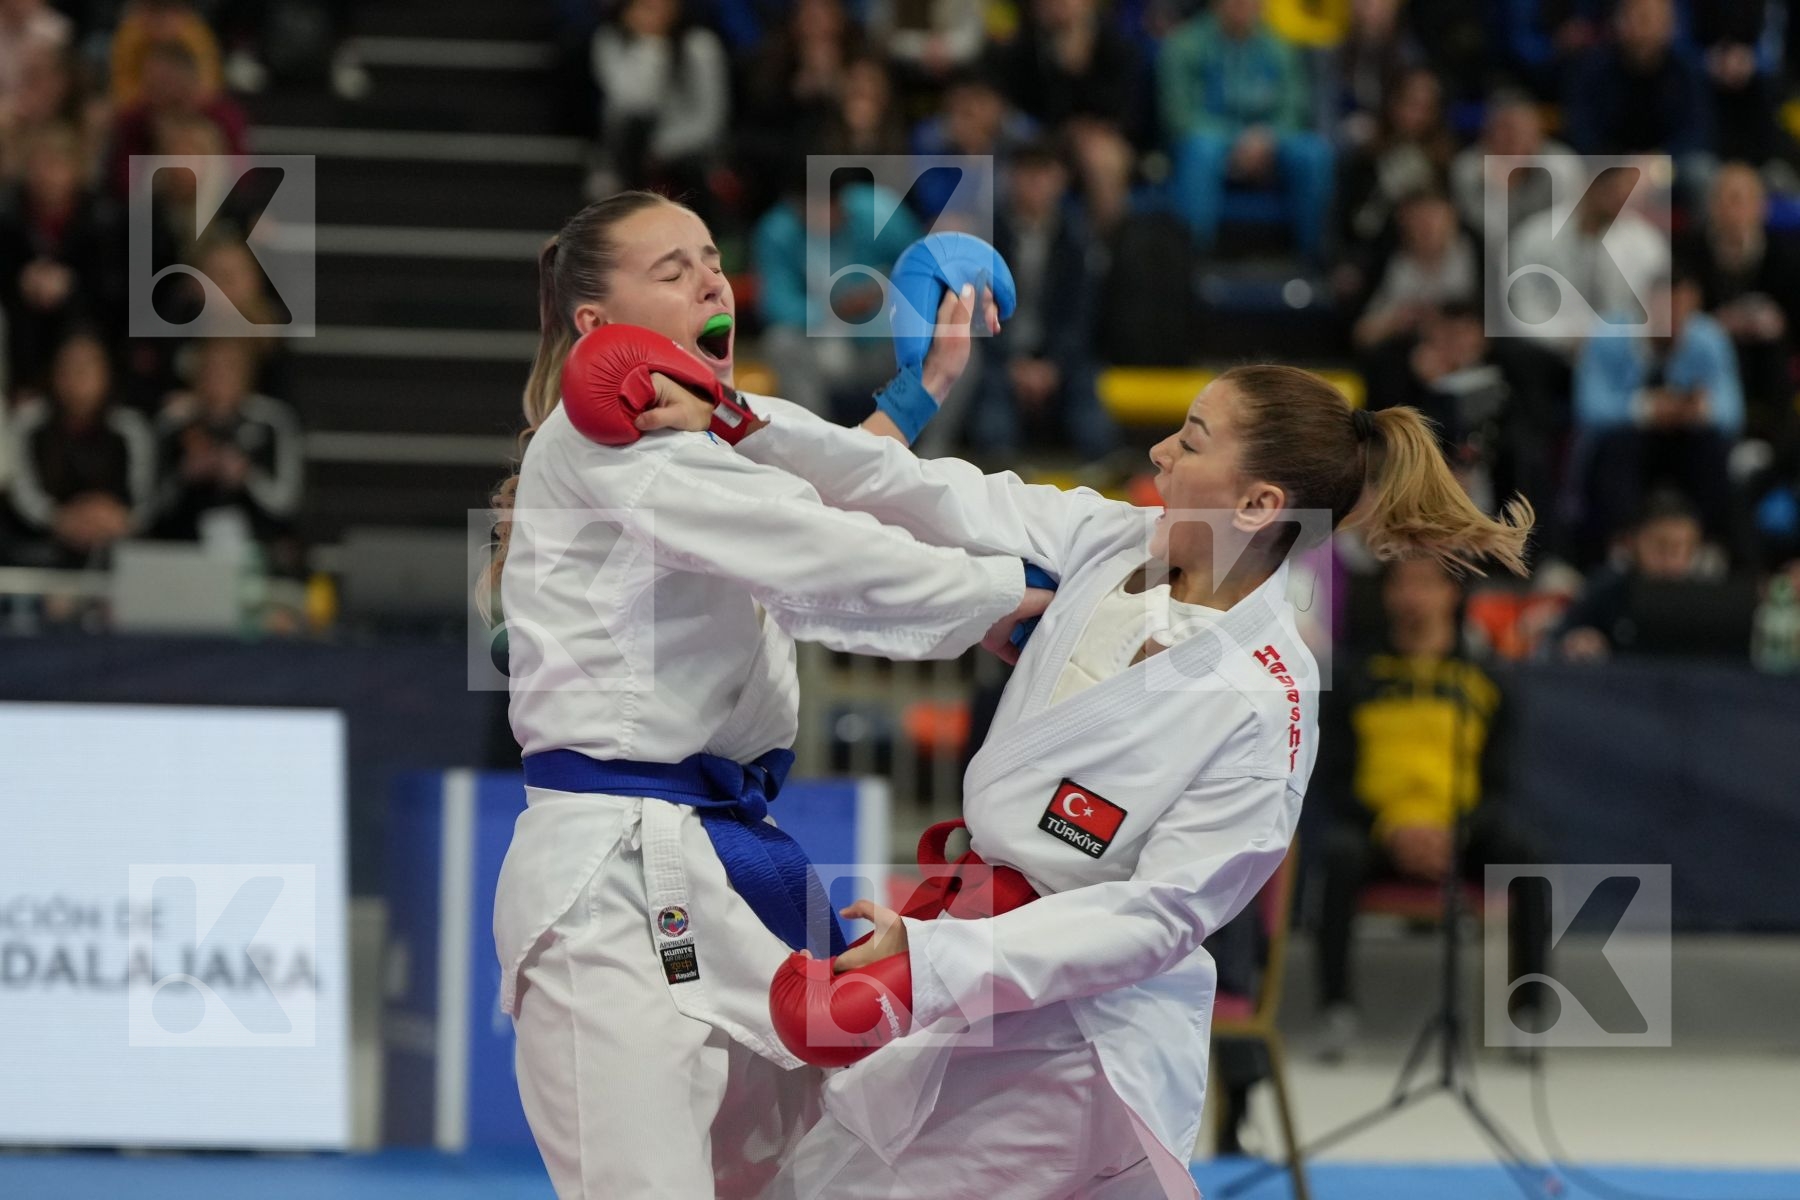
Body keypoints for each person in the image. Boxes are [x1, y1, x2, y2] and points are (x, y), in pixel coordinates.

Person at [644, 362, 1532, 1198]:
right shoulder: (1109, 541)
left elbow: (1160, 914)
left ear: (1259, 503)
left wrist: (931, 963)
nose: (1161, 452)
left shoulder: (1270, 695)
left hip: (1087, 1033)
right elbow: (929, 490)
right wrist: (745, 422)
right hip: (982, 955)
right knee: (821, 1173)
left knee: (841, 1183)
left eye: (1192, 440)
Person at [489, 191, 1050, 1199]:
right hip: (611, 883)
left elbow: (801, 492)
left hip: (728, 858)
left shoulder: (704, 447)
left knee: (820, 1175)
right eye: (670, 271)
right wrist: (1000, 596)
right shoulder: (598, 446)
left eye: (711, 259)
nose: (711, 280)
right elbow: (812, 549)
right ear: (594, 327)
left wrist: (917, 394)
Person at [1313, 557, 1549, 1062]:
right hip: (1380, 832)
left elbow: (1499, 785)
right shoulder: (1357, 677)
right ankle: (1336, 1011)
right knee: (1337, 853)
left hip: (1459, 833)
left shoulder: (1486, 683)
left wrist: (1457, 833)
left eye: (1425, 584)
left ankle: (1528, 1015)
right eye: (1402, 584)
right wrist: (1389, 828)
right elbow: (1333, 779)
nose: (1412, 596)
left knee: (1526, 855)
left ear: (1452, 595)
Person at [1572, 270, 1743, 563]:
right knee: (1617, 444)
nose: (1673, 322)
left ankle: (1705, 544)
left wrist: (1697, 409)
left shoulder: (1709, 337)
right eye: (1664, 311)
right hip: (1629, 442)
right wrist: (1646, 408)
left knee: (1713, 445)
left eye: (1682, 313)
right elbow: (1589, 408)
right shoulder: (1608, 335)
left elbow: (1732, 413)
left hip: (1685, 442)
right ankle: (1623, 544)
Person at [966, 140, 1114, 464]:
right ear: (1011, 177)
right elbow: (975, 311)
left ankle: (1105, 465)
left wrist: (1054, 363)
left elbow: (1081, 313)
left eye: (1044, 172)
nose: (1035, 182)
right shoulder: (985, 234)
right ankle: (999, 466)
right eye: (1026, 172)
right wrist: (1012, 362)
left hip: (1056, 354)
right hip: (998, 352)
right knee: (991, 402)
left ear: (1060, 179)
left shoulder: (1077, 238)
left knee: (1087, 394)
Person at [1159, 0, 1334, 263]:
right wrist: (1237, 140)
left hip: (1270, 143)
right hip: (1213, 143)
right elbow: (1180, 115)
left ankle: (1315, 261)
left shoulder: (1279, 47)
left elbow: (1294, 110)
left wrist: (1267, 138)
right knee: (1201, 150)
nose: (1242, 5)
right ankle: (1192, 263)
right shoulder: (1185, 44)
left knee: (1314, 153)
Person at [5, 330, 154, 566]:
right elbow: (20, 488)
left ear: (106, 374)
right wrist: (59, 519)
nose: (78, 376)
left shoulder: (130, 427)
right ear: (54, 373)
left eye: (87, 366)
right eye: (69, 366)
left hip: (117, 541)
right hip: (45, 542)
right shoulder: (29, 422)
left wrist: (119, 518)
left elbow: (146, 494)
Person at [150, 336, 303, 565]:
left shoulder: (272, 421)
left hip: (255, 546)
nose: (219, 377)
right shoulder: (174, 423)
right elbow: (149, 506)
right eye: (211, 368)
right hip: (183, 548)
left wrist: (247, 477)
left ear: (246, 374)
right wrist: (185, 475)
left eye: (229, 368)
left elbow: (288, 500)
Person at [1557, 492, 1705, 661]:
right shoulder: (1605, 590)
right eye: (1660, 545)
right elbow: (1558, 639)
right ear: (1632, 542)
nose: (1669, 559)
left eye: (1680, 548)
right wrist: (1576, 640)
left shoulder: (1706, 601)